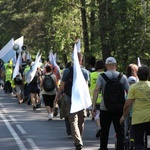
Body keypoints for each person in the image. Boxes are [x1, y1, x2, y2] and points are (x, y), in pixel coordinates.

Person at [93, 57, 129, 150]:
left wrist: (93, 105)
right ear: (116, 65)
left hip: (105, 108)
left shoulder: (102, 76)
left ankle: (103, 148)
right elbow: (129, 92)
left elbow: (96, 90)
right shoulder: (123, 77)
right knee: (119, 131)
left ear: (106, 65)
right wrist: (127, 107)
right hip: (119, 108)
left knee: (104, 131)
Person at [54, 52, 89, 150]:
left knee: (73, 121)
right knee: (81, 121)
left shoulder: (67, 71)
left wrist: (57, 97)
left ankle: (78, 141)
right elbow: (86, 88)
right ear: (81, 60)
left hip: (70, 98)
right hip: (81, 100)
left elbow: (61, 86)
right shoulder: (85, 72)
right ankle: (79, 140)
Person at [120, 66, 150, 150]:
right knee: (149, 142)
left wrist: (123, 116)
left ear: (137, 75)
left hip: (138, 119)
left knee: (139, 143)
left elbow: (128, 104)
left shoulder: (133, 87)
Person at [90, 59, 104, 138]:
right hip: (104, 98)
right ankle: (102, 127)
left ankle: (99, 126)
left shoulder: (91, 75)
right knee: (103, 114)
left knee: (96, 113)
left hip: (94, 98)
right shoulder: (105, 75)